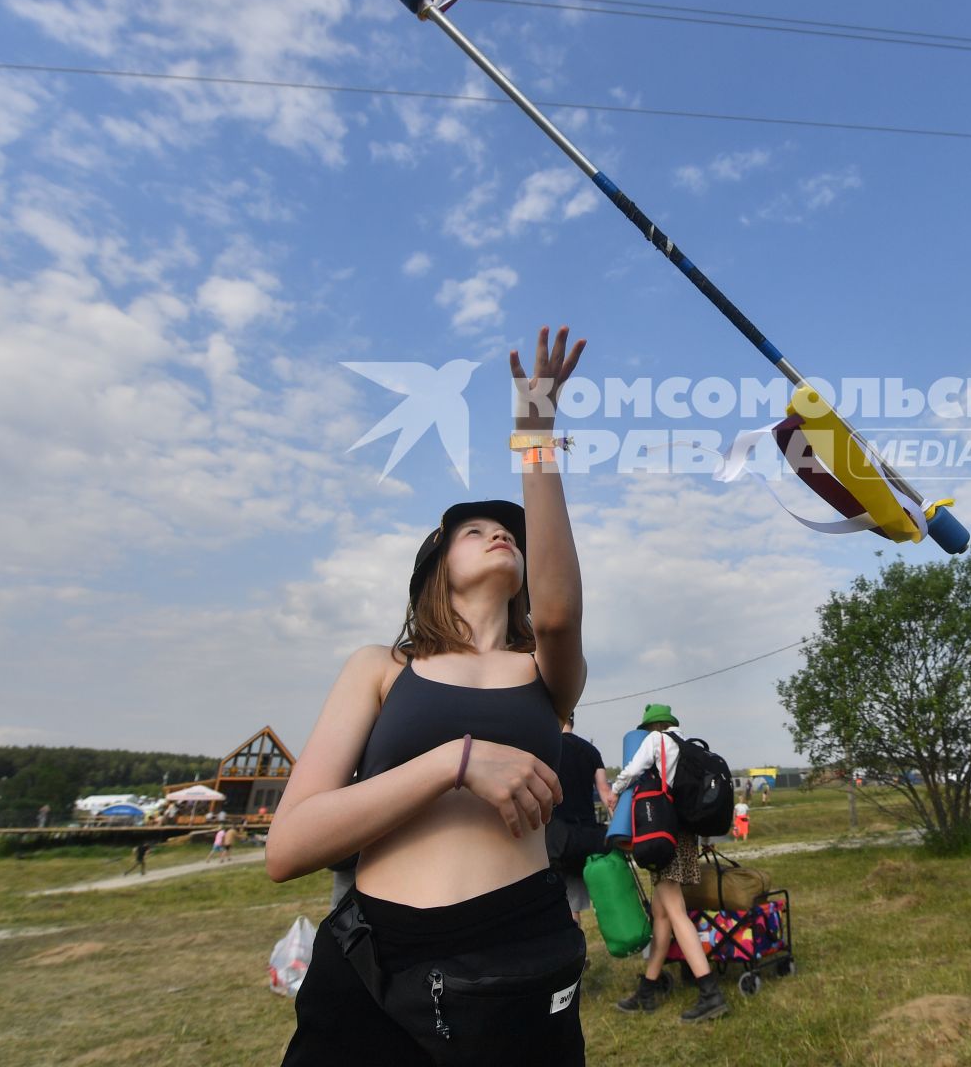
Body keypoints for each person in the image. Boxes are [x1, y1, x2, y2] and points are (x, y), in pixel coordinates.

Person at [269, 325, 589, 1066]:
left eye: (509, 531)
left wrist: (535, 434)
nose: (498, 535)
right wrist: (455, 760)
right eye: (473, 531)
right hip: (376, 962)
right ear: (435, 571)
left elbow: (563, 611)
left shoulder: (545, 668)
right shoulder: (380, 667)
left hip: (519, 952)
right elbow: (288, 849)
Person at [608, 703, 730, 1022]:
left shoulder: (656, 742)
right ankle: (647, 991)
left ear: (651, 727)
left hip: (665, 837)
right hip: (684, 838)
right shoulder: (689, 747)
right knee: (661, 915)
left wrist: (613, 792)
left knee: (675, 913)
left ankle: (710, 992)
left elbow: (632, 772)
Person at [550, 715, 615, 923]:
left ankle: (567, 952)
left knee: (555, 901)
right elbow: (606, 793)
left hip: (555, 837)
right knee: (573, 904)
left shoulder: (548, 747)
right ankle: (578, 951)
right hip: (585, 837)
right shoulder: (591, 751)